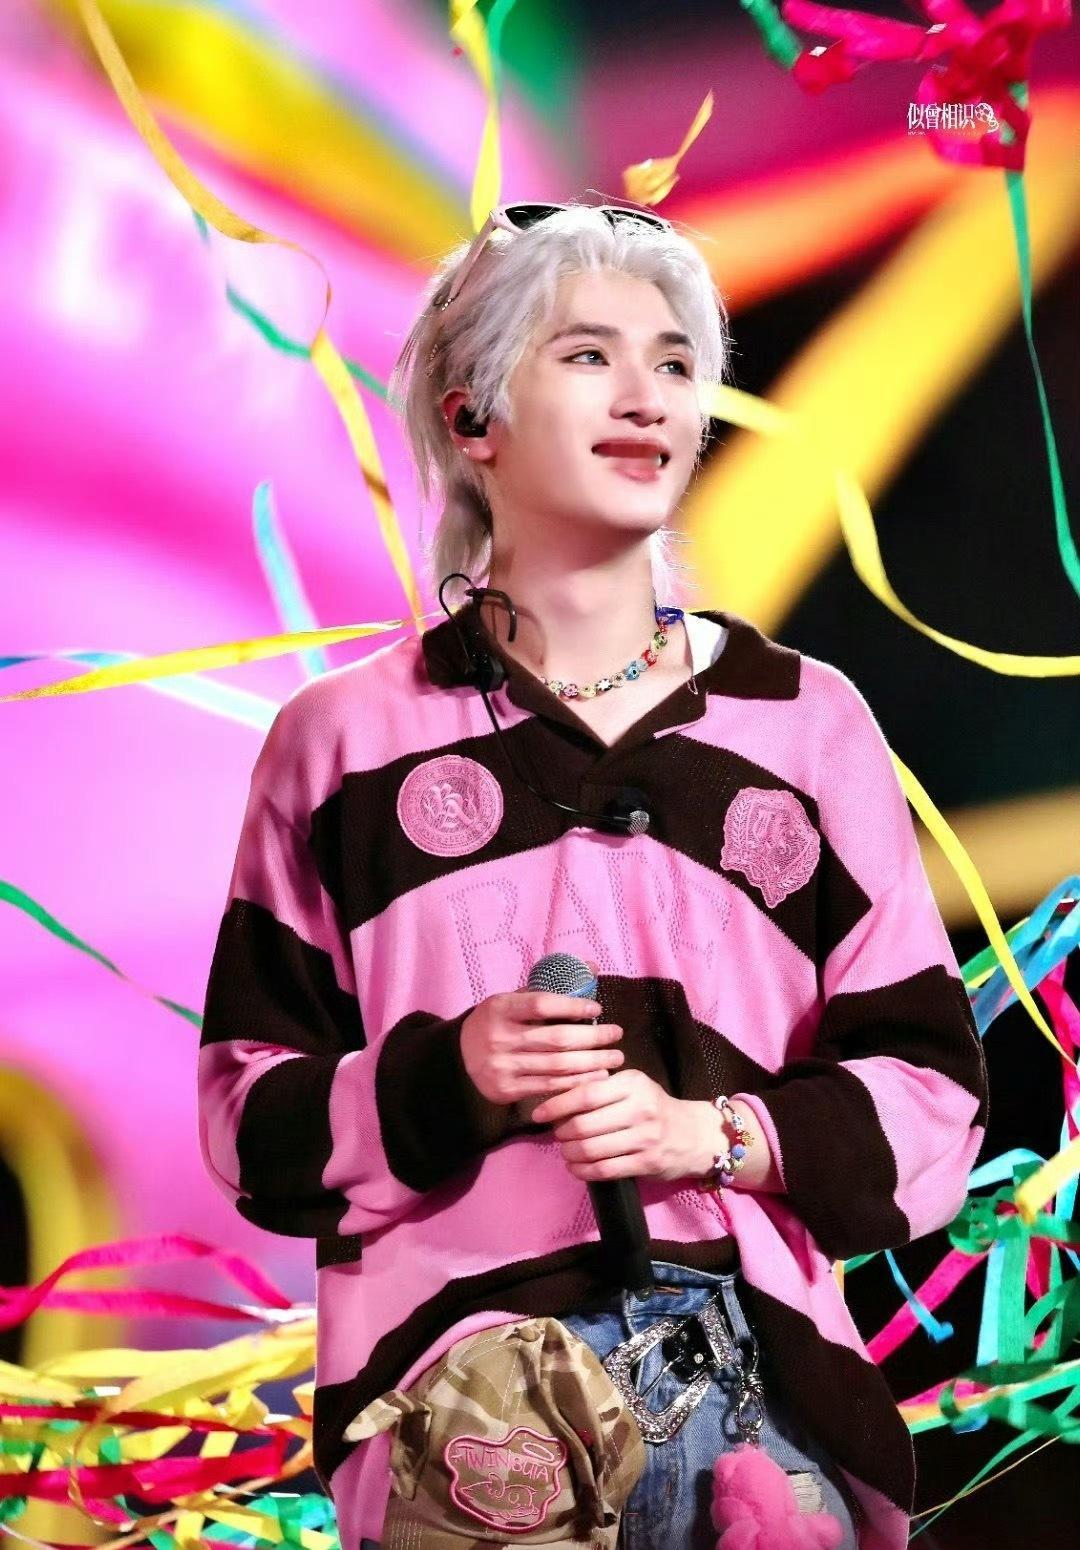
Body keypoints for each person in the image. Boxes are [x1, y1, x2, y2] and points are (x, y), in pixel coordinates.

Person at [198, 203, 989, 1550]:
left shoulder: (808, 724)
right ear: (472, 420)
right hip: (469, 1406)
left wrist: (716, 1135)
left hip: (770, 1408)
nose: (647, 396)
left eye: (676, 363)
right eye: (587, 355)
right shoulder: (341, 742)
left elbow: (935, 1102)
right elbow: (245, 1120)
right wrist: (450, 1076)